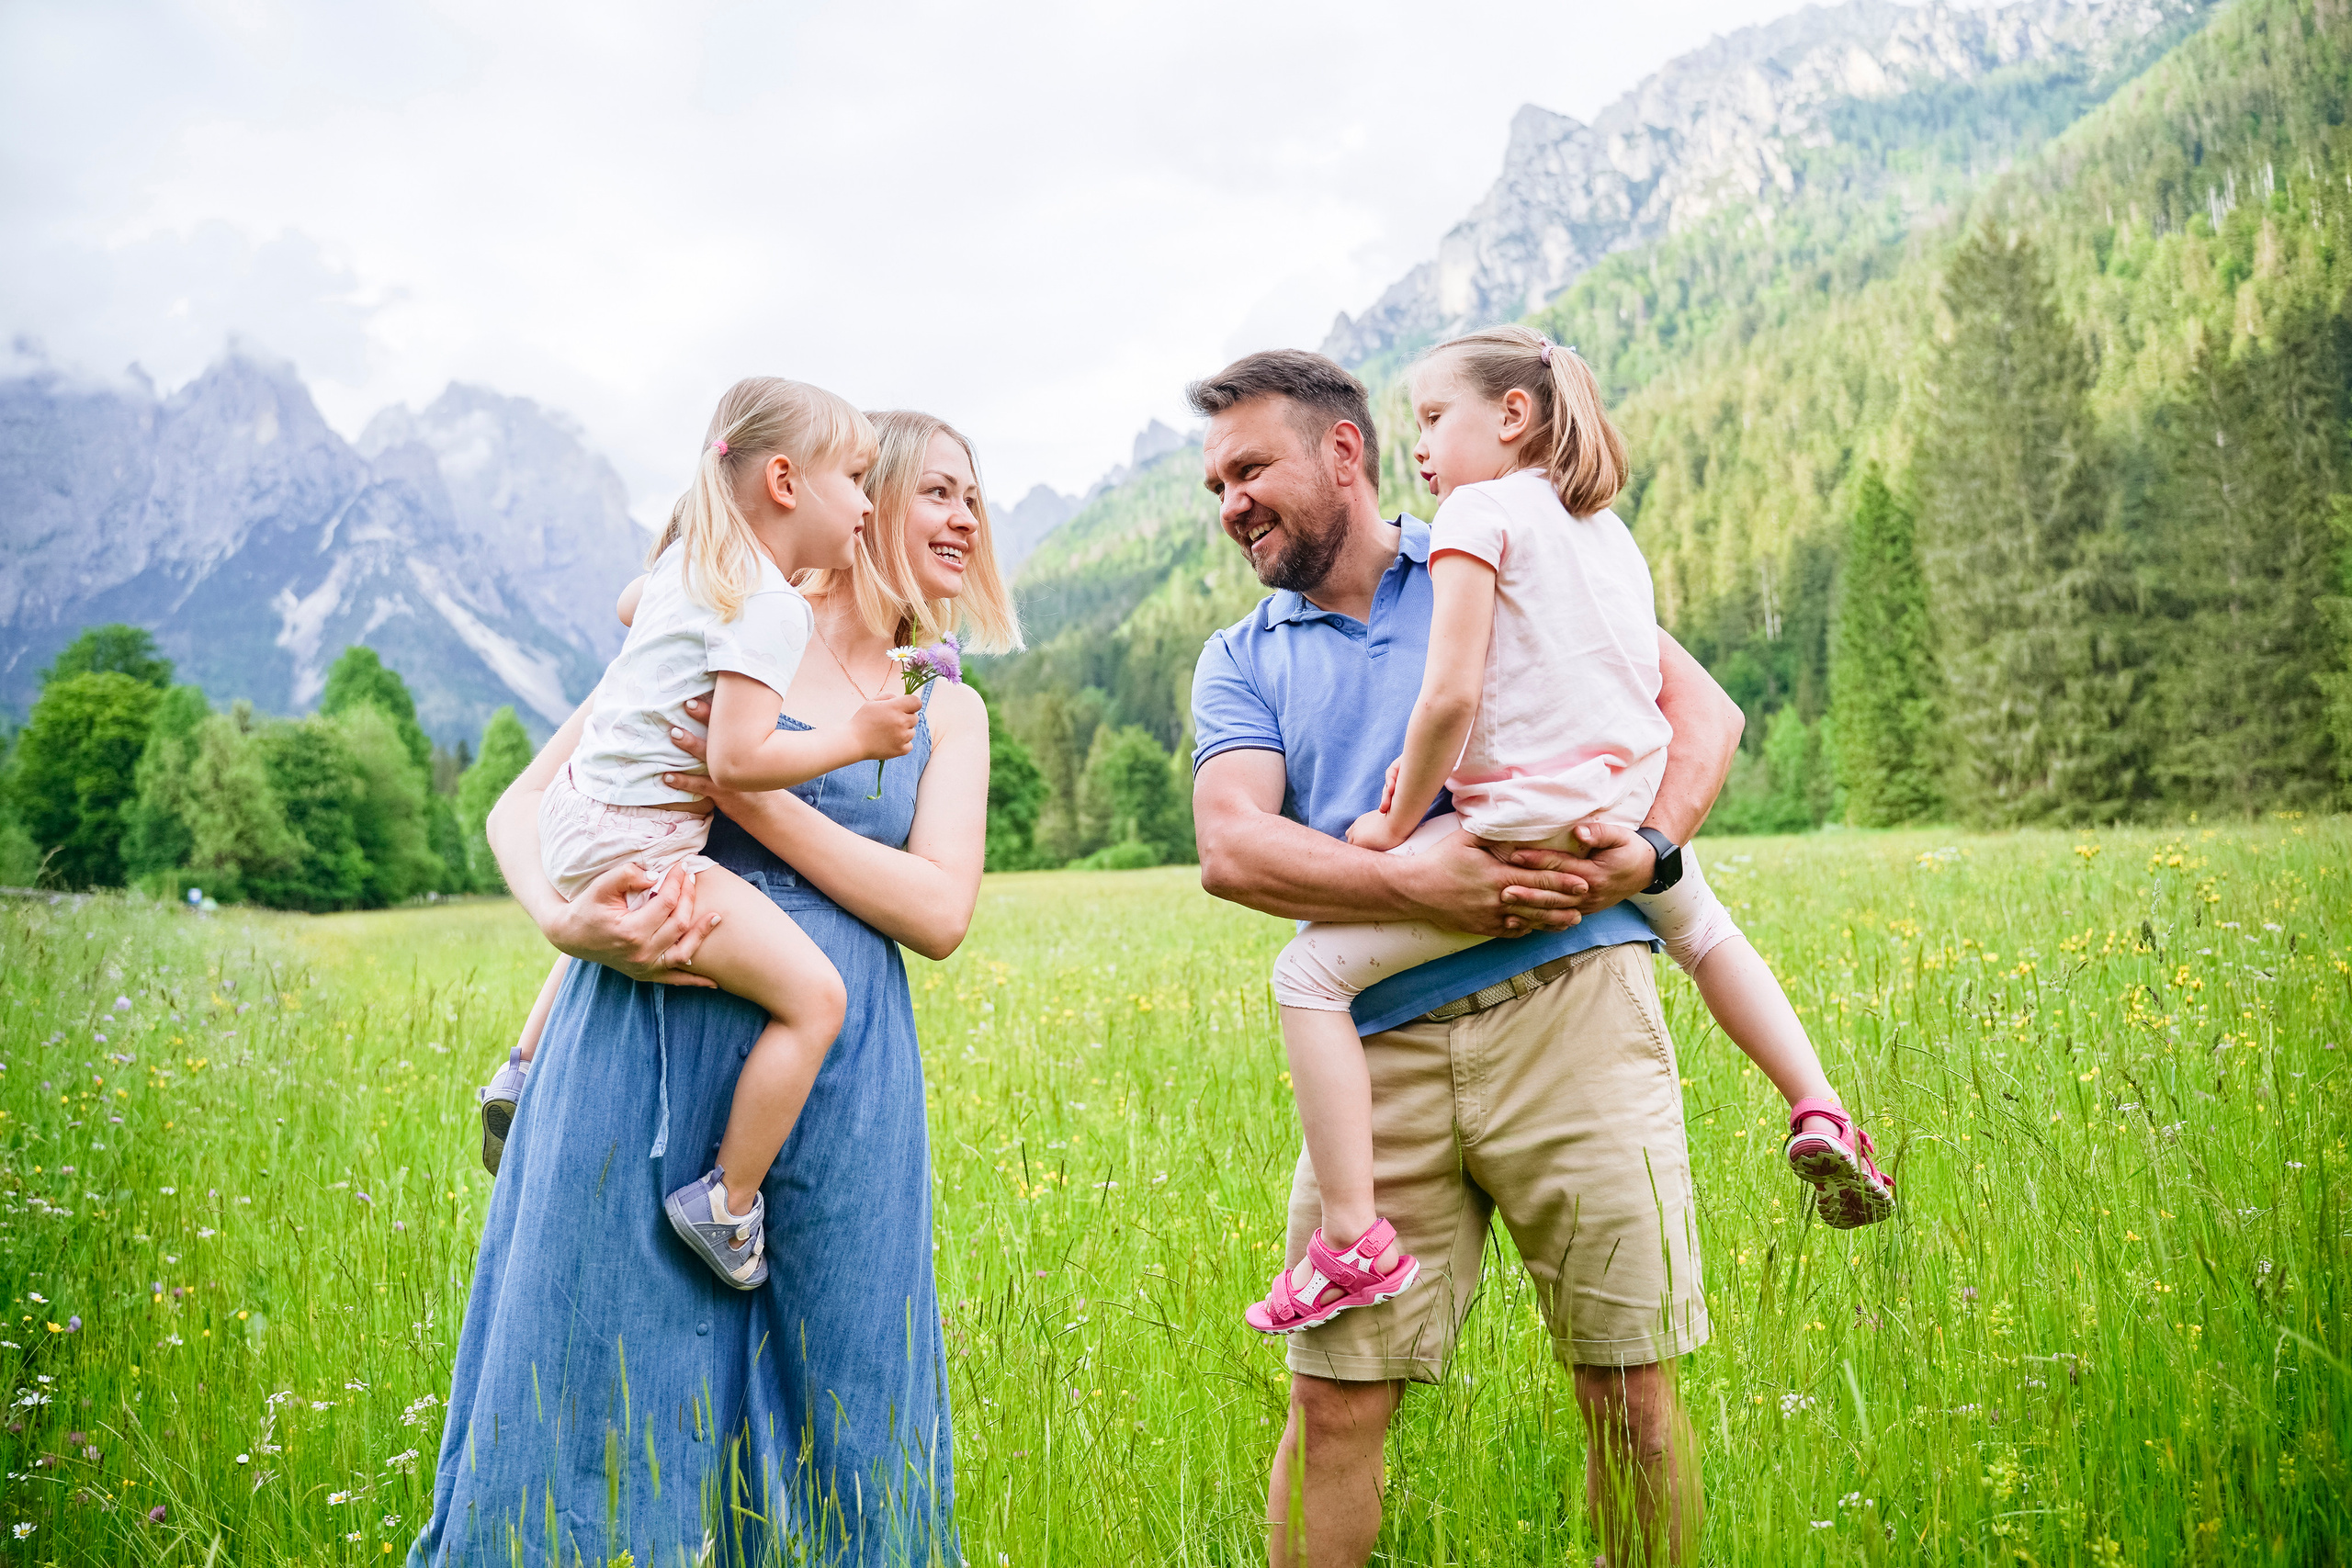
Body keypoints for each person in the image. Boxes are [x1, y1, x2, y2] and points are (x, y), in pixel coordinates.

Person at [408, 409, 1016, 1566]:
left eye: (972, 500)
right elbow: (523, 805)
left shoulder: (947, 711)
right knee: (595, 1370)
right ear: (859, 497)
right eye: (938, 490)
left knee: (849, 1395)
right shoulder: (725, 630)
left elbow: (939, 914)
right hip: (640, 1039)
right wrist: (561, 917)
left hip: (842, 1078)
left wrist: (749, 799)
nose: (965, 518)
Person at [1186, 349, 1740, 1566]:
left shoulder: (1498, 539)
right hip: (1374, 1047)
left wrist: (1645, 850)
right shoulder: (1243, 655)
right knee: (1333, 1397)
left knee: (1630, 1394)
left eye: (1251, 467)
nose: (1230, 501)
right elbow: (1231, 847)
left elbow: (1701, 718)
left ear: (1345, 453)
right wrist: (1409, 877)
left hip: (1573, 1007)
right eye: (1216, 481)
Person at [1246, 330, 1891, 1338]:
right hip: (1620, 822)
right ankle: (1817, 1107)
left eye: (1430, 419)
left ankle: (1351, 1240)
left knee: (1307, 978)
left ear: (1511, 417)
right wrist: (1644, 841)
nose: (1412, 445)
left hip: (1523, 831)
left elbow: (1450, 695)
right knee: (1708, 935)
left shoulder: (1473, 516)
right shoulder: (1606, 532)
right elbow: (1660, 695)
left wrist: (1392, 821)